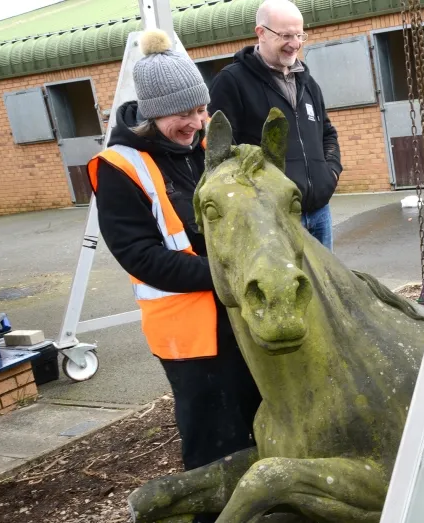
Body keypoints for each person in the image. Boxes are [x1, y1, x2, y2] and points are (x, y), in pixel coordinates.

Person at [87, 28, 262, 514]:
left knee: (255, 423)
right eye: (185, 113)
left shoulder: (201, 150)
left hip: (236, 316)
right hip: (191, 335)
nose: (197, 122)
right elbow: (141, 257)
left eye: (201, 110)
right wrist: (227, 274)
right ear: (152, 114)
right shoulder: (119, 168)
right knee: (213, 444)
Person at [208, 0, 342, 250]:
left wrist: (330, 174)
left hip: (319, 212)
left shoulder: (308, 83)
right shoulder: (231, 82)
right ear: (261, 33)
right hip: (272, 218)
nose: (295, 43)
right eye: (286, 35)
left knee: (324, 277)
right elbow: (221, 153)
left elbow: (327, 133)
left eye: (299, 35)